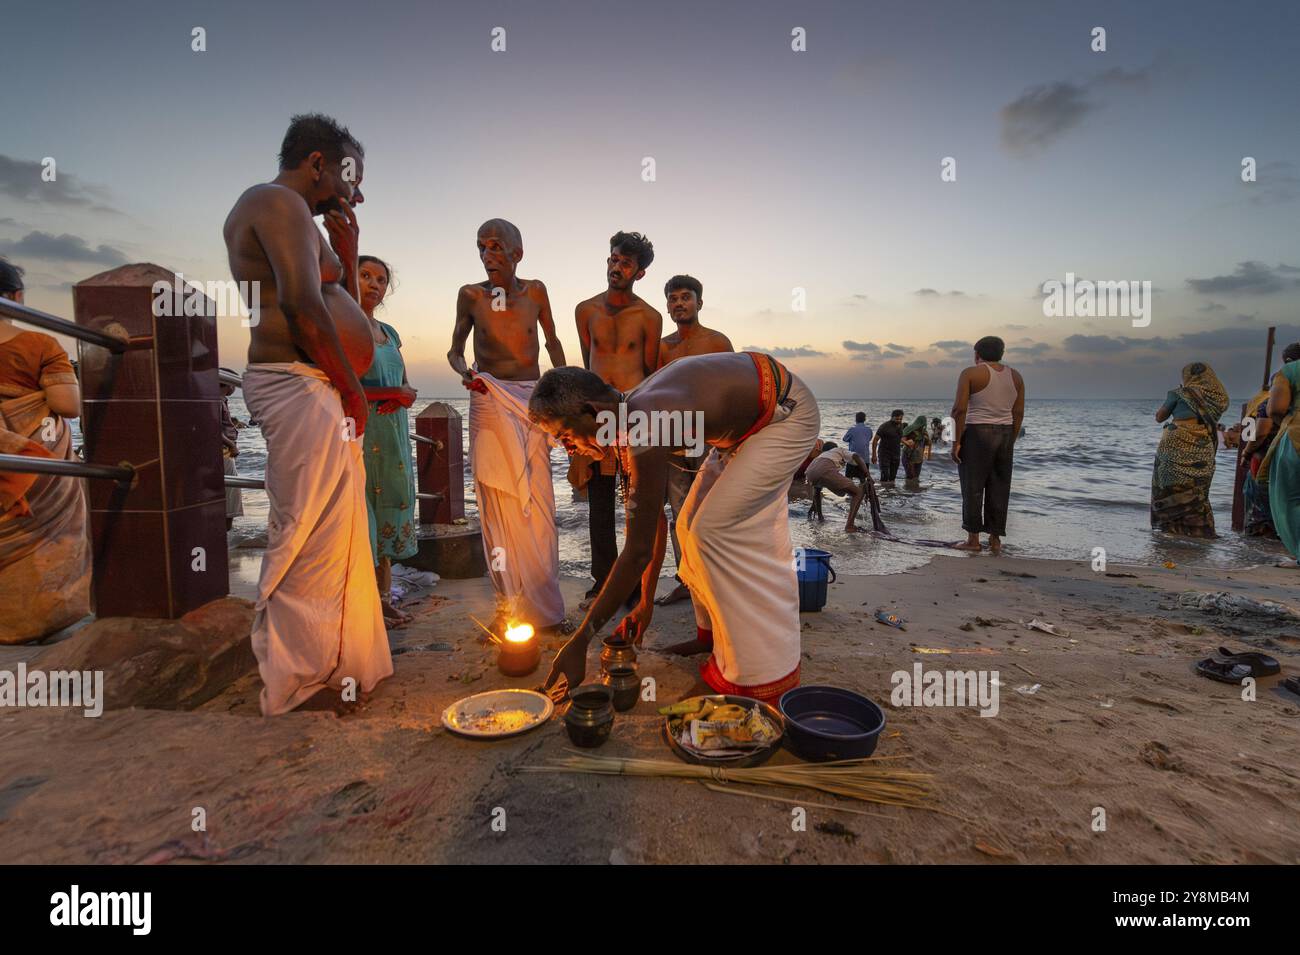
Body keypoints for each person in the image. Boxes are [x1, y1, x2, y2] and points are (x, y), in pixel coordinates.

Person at [222, 113, 392, 715]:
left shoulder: (298, 216)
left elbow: (326, 293)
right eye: (351, 177)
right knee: (304, 531)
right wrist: (352, 390)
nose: (356, 192)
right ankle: (294, 683)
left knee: (333, 530)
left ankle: (334, 664)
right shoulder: (275, 201)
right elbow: (298, 303)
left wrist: (344, 253)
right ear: (317, 164)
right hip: (298, 383)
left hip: (312, 382)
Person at [531, 351, 819, 702]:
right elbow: (651, 528)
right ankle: (709, 635)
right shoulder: (627, 415)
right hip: (744, 432)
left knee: (711, 533)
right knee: (687, 528)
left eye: (565, 436)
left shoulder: (646, 423)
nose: (567, 448)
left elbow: (636, 553)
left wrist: (580, 642)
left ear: (593, 411)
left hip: (786, 418)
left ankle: (759, 676)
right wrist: (644, 605)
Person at [448, 219, 567, 631]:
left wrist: (567, 391)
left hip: (533, 399)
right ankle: (508, 609)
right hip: (488, 397)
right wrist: (465, 373)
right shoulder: (470, 295)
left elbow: (551, 343)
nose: (487, 256)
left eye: (496, 247)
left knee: (539, 500)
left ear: (517, 253)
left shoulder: (536, 291)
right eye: (481, 248)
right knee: (497, 501)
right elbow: (455, 349)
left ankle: (546, 609)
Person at [0, 258, 91, 644]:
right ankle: (34, 622)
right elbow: (68, 406)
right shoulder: (38, 344)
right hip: (29, 464)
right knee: (46, 531)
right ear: (17, 297)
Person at [573, 231, 661, 608]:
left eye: (625, 262)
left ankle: (632, 584)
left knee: (636, 505)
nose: (616, 267)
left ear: (639, 273)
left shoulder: (649, 316)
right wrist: (582, 422)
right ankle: (602, 583)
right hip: (597, 416)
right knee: (600, 503)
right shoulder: (585, 310)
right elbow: (586, 367)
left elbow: (654, 374)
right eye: (613, 259)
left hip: (634, 415)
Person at [654, 274, 732, 607]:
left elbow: (732, 390)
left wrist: (732, 442)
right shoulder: (663, 347)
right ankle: (686, 581)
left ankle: (718, 581)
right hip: (672, 440)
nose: (679, 303)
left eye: (686, 297)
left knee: (711, 512)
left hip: (709, 439)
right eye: (673, 298)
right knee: (679, 514)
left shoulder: (717, 342)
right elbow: (654, 391)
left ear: (699, 302)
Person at [356, 255, 419, 626]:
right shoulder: (344, 326)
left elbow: (405, 382)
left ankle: (384, 598)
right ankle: (364, 605)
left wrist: (405, 394)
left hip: (393, 429)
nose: (374, 284)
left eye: (380, 279)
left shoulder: (390, 333)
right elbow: (340, 385)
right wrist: (393, 394)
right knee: (362, 512)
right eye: (365, 276)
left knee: (389, 506)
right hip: (364, 430)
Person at [952, 336, 1025, 553]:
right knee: (1000, 488)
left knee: (973, 487)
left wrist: (956, 442)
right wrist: (1010, 439)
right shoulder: (1016, 376)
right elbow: (1018, 413)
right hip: (1005, 434)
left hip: (976, 432)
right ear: (1001, 354)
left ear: (977, 354)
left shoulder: (970, 373)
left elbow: (959, 410)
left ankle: (973, 540)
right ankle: (995, 541)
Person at [1150, 361, 1228, 538]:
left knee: (1169, 484)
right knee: (1197, 487)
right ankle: (1198, 530)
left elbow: (1159, 417)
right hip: (1203, 442)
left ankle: (1171, 528)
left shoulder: (1179, 393)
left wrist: (1181, 395)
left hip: (1175, 442)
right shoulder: (1218, 397)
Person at [1257, 343, 1300, 564]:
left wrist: (1282, 421)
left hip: (1296, 435)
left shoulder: (1288, 372)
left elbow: (1276, 408)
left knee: (1289, 498)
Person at [805, 440, 869, 531]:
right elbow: (856, 456)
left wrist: (815, 508)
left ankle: (820, 518)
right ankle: (850, 526)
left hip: (810, 472)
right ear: (834, 448)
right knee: (858, 492)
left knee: (822, 489)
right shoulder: (839, 450)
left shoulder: (820, 456)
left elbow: (817, 492)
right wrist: (868, 475)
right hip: (826, 469)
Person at [219, 368, 244, 531]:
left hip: (224, 452)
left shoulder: (220, 400)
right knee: (231, 497)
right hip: (224, 453)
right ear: (228, 384)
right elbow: (212, 427)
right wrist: (232, 444)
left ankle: (226, 538)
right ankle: (226, 539)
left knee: (229, 496)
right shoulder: (217, 400)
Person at [872, 409, 905, 483]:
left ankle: (890, 492)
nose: (899, 420)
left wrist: (907, 443)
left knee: (893, 477)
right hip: (884, 454)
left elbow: (900, 438)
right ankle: (883, 493)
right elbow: (875, 440)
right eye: (897, 419)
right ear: (892, 417)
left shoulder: (900, 426)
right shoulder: (884, 426)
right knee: (885, 476)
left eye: (900, 419)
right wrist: (874, 455)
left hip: (896, 454)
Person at [842, 412, 873, 481]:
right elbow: (869, 438)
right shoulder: (869, 430)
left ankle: (850, 491)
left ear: (856, 419)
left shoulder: (852, 430)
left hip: (853, 458)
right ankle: (862, 491)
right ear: (865, 419)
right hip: (865, 458)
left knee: (849, 478)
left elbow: (844, 439)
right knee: (862, 479)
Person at [901, 415, 930, 487]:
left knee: (916, 477)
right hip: (908, 456)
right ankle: (908, 490)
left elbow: (927, 444)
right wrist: (908, 443)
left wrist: (926, 455)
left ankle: (914, 491)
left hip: (919, 457)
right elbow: (902, 439)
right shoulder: (909, 429)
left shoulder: (924, 432)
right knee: (910, 475)